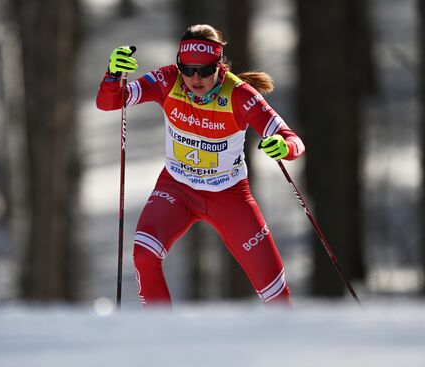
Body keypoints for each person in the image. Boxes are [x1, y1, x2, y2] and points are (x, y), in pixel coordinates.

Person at [96, 24, 305, 307]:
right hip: (177, 188)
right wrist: (113, 75)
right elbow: (111, 102)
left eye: (205, 70)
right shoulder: (167, 80)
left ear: (220, 66)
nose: (195, 78)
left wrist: (284, 147)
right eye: (188, 68)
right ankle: (162, 335)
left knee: (276, 296)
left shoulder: (240, 95)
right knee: (145, 253)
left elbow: (292, 140)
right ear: (179, 64)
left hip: (229, 196)